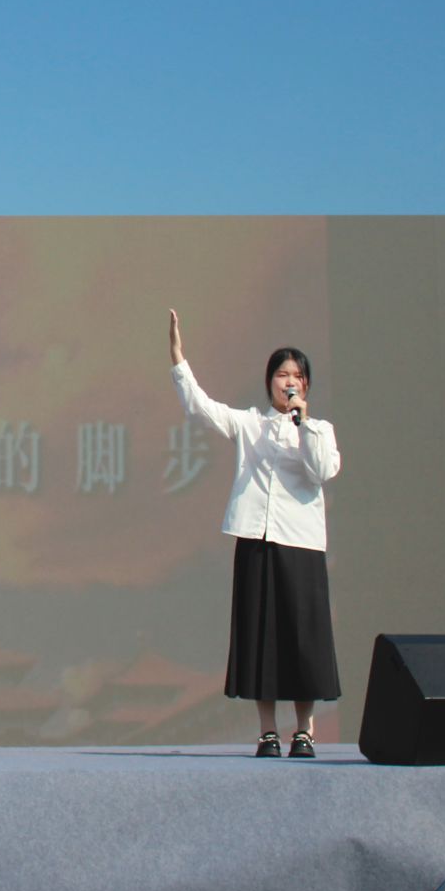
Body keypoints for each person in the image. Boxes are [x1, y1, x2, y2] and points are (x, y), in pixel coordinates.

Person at [167, 310, 343, 758]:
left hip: (302, 544)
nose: (289, 382)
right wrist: (179, 361)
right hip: (256, 541)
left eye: (297, 376)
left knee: (303, 640)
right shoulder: (250, 425)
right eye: (282, 375)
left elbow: (322, 470)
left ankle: (304, 730)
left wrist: (303, 425)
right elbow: (202, 408)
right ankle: (267, 731)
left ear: (307, 386)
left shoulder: (319, 430)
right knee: (262, 636)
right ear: (269, 382)